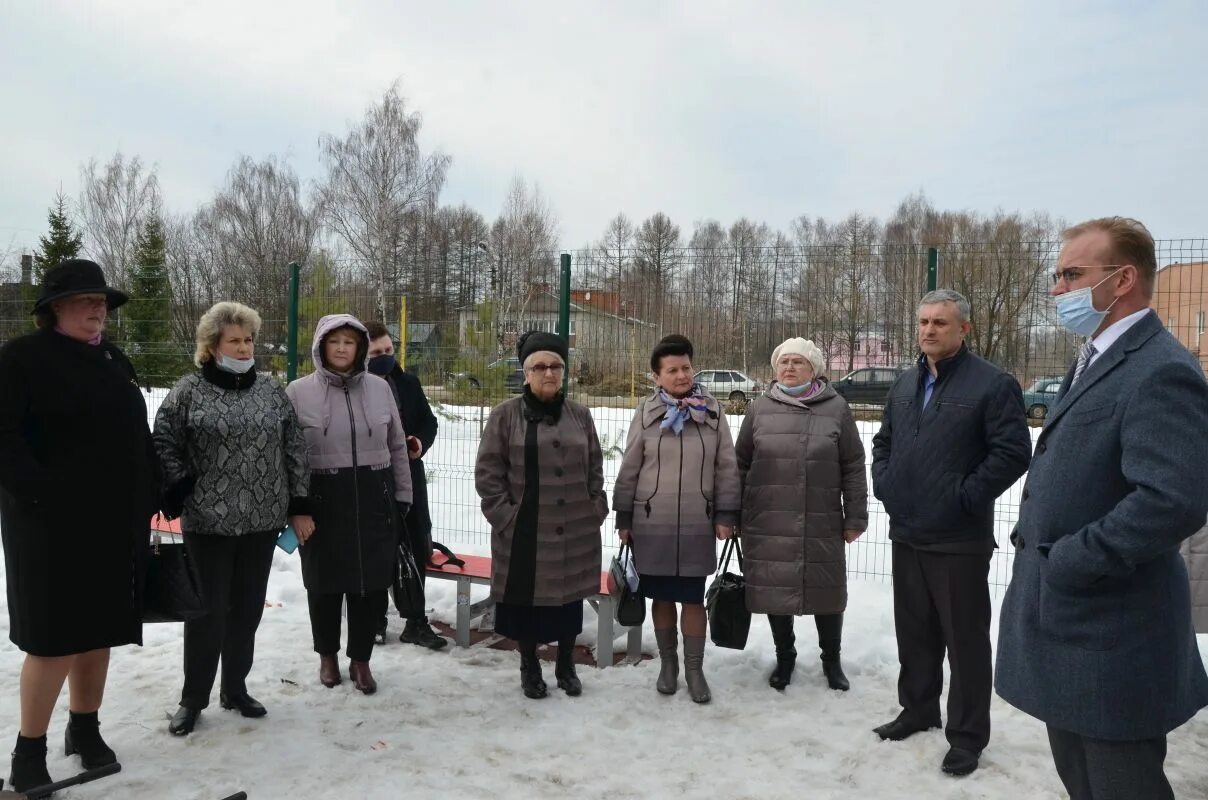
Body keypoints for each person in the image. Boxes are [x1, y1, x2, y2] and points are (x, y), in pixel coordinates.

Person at [996, 217, 1208, 800]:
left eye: (1071, 274)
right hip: (1070, 622)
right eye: (1057, 275)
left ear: (1123, 280)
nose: (1057, 289)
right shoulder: (1095, 354)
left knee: (1120, 784)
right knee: (1081, 780)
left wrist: (1071, 559)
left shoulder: (1160, 367)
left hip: (1112, 631)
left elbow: (1172, 499)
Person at [0, 259, 159, 792]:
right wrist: (42, 496)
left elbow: (135, 437)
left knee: (98, 632)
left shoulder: (114, 359)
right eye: (88, 301)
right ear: (54, 309)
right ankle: (28, 751)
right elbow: (6, 441)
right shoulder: (21, 359)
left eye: (104, 302)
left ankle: (84, 730)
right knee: (52, 640)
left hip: (113, 523)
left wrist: (156, 489)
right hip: (48, 528)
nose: (100, 309)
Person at [870, 289, 1030, 777]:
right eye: (923, 321)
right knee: (914, 632)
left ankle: (966, 736)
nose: (929, 330)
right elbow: (884, 443)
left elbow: (1012, 452)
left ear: (964, 328)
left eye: (941, 322)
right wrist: (886, 484)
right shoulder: (903, 384)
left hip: (959, 539)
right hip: (908, 532)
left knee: (964, 642)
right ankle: (918, 709)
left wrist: (961, 497)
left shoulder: (992, 384)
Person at [153, 302, 311, 736]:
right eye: (234, 341)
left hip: (261, 520)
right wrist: (178, 484)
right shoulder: (188, 391)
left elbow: (294, 446)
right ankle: (193, 698)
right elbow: (163, 438)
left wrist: (300, 502)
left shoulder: (270, 390)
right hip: (208, 521)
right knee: (207, 614)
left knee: (245, 612)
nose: (243, 349)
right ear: (211, 346)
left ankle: (235, 688)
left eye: (248, 340)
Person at [474, 332, 608, 699]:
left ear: (565, 371)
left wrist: (596, 505)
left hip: (576, 528)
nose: (549, 373)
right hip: (525, 530)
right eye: (540, 366)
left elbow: (595, 464)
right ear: (526, 372)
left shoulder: (580, 415)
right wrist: (506, 516)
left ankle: (566, 664)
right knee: (526, 603)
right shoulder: (505, 416)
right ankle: (529, 663)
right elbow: (488, 473)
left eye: (556, 366)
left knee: (568, 601)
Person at [285, 314, 411, 695]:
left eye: (349, 342)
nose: (342, 348)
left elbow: (397, 444)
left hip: (374, 494)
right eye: (334, 341)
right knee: (323, 584)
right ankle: (327, 656)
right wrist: (296, 508)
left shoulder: (379, 388)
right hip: (321, 498)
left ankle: (361, 660)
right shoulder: (297, 391)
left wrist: (403, 495)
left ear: (359, 348)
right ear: (321, 346)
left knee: (369, 584)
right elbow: (288, 456)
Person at [613, 334, 740, 704]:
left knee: (693, 599)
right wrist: (625, 517)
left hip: (698, 523)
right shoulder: (647, 413)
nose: (681, 375)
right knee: (663, 598)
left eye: (686, 367)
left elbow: (727, 466)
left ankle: (695, 669)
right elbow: (630, 467)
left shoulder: (713, 411)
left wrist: (727, 512)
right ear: (657, 376)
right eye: (672, 370)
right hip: (653, 522)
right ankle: (668, 666)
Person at [735, 337, 867, 692]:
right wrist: (734, 513)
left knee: (827, 590)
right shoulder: (759, 408)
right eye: (784, 362)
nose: (790, 368)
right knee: (775, 589)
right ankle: (785, 656)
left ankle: (831, 660)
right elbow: (740, 463)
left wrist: (855, 516)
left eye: (799, 362)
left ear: (814, 369)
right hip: (768, 519)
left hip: (820, 517)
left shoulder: (836, 408)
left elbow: (853, 464)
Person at [363, 320, 444, 650]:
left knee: (416, 546)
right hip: (372, 483)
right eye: (376, 353)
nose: (384, 357)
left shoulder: (408, 383)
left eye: (388, 351)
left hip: (409, 478)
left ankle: (416, 621)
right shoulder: (356, 390)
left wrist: (419, 443)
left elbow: (429, 421)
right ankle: (375, 621)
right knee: (378, 551)